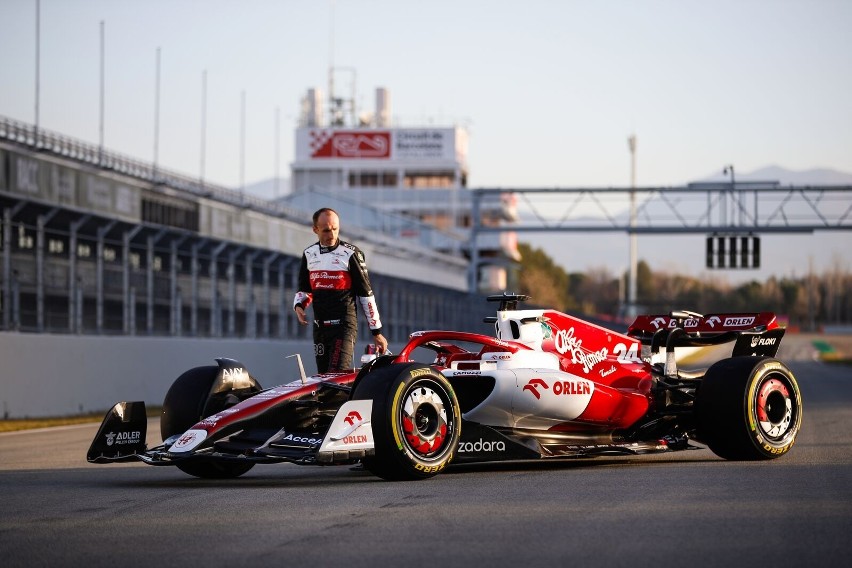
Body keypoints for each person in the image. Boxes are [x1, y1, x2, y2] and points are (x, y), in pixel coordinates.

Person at [293, 207, 388, 373]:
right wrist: (299, 305)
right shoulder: (309, 253)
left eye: (335, 229)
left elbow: (366, 294)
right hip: (320, 327)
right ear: (315, 229)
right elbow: (305, 289)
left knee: (335, 376)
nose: (331, 235)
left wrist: (376, 331)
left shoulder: (351, 254)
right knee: (322, 379)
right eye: (326, 230)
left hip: (343, 327)